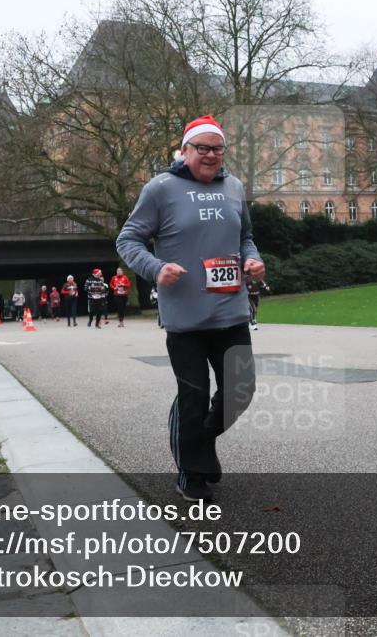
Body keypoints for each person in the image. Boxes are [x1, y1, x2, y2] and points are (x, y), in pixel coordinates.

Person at [117, 114, 263, 502]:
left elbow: (245, 237)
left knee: (240, 391)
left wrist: (253, 260)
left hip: (231, 311)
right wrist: (155, 267)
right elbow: (128, 239)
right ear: (184, 151)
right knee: (194, 396)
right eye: (202, 148)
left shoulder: (233, 187)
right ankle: (191, 473)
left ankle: (196, 442)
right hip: (185, 317)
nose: (211, 155)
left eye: (217, 148)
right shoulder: (161, 188)